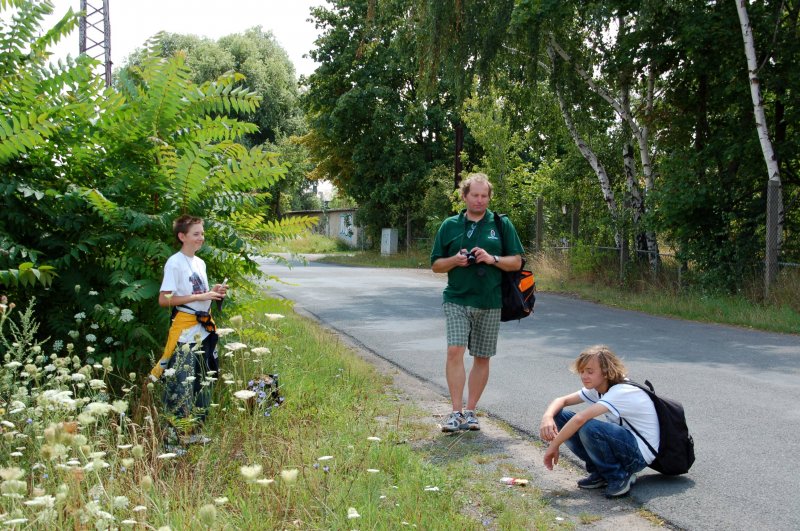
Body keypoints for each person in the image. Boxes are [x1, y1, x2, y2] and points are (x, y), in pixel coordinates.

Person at [430, 172, 524, 432]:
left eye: (484, 196)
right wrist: (455, 261)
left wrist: (491, 258)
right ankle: (455, 412)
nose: (480, 200)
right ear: (464, 196)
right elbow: (436, 265)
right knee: (455, 351)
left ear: (489, 197)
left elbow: (516, 261)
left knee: (482, 357)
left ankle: (471, 411)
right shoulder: (449, 225)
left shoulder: (500, 224)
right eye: (475, 195)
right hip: (457, 298)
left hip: (490, 300)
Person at [539, 345, 659, 498]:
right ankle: (600, 473)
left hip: (639, 455)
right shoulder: (599, 387)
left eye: (590, 371)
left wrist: (554, 445)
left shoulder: (621, 391)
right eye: (582, 371)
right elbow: (561, 400)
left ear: (606, 371)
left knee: (588, 427)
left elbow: (580, 419)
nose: (584, 376)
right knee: (559, 415)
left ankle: (618, 476)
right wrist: (547, 417)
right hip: (626, 445)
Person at [151, 215, 227, 445]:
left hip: (203, 331)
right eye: (196, 234)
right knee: (180, 385)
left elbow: (198, 294)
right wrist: (200, 296)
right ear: (182, 236)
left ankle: (193, 433)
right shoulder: (174, 262)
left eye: (202, 233)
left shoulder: (199, 263)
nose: (201, 238)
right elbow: (164, 300)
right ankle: (171, 441)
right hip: (185, 333)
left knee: (202, 382)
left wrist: (212, 291)